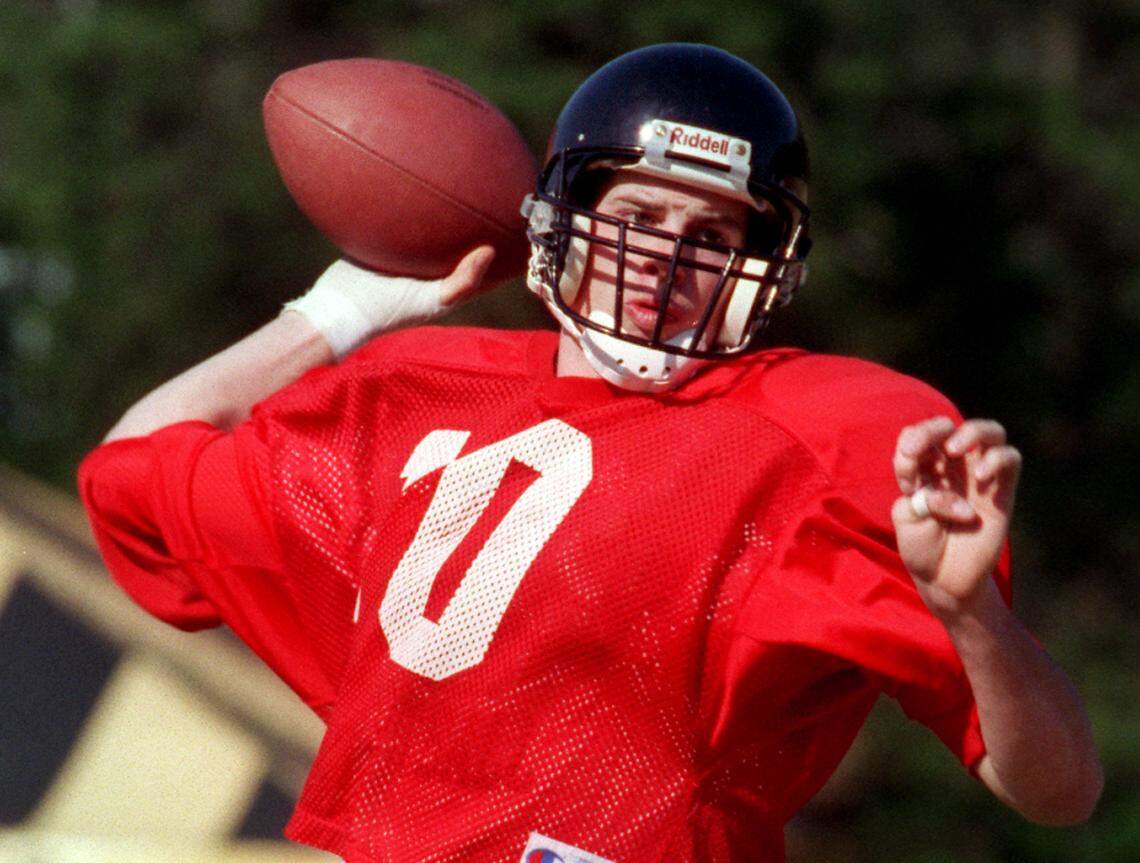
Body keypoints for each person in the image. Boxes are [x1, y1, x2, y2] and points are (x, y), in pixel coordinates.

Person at [78, 44, 1101, 863]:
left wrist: (975, 618)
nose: (668, 260)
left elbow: (1056, 789)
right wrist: (349, 306)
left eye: (714, 235)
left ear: (764, 268)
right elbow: (132, 473)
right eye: (640, 217)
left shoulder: (820, 436)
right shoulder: (408, 392)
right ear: (561, 222)